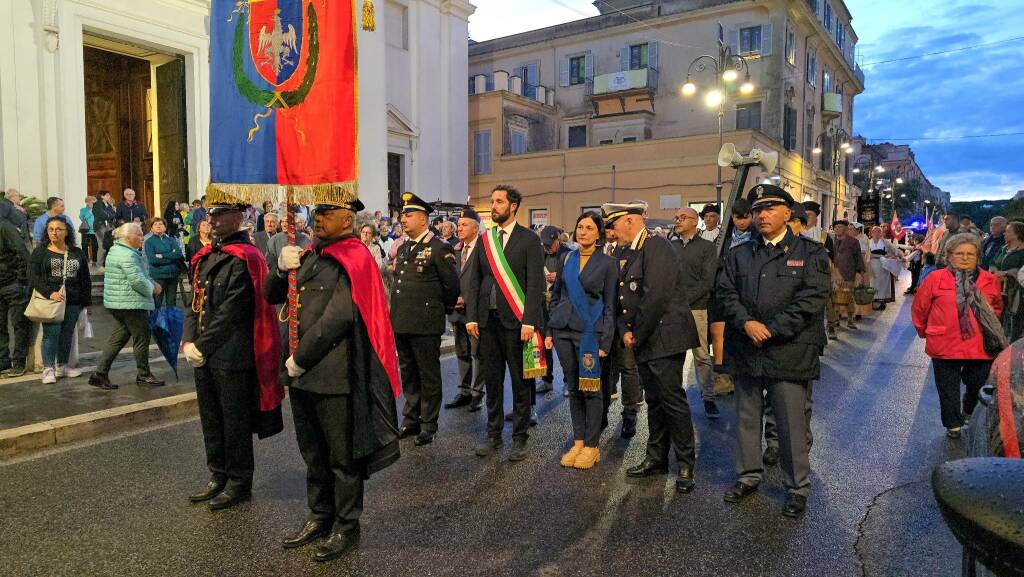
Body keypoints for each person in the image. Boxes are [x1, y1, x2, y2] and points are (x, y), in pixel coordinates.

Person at [266, 190, 400, 563]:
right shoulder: (310, 255)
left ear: (349, 219)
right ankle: (319, 516)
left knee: (341, 458)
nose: (320, 218)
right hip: (302, 376)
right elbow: (272, 295)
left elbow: (338, 318)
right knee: (313, 453)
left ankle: (346, 524)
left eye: (329, 212)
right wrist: (280, 267)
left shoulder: (354, 258)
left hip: (333, 375)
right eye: (318, 211)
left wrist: (300, 358)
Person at [718, 184, 830, 518]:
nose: (762, 216)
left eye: (769, 209)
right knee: (747, 418)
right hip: (747, 347)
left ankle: (797, 487)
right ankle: (748, 475)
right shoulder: (738, 254)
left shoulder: (811, 253)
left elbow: (812, 299)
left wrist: (773, 328)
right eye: (757, 211)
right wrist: (747, 323)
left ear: (787, 213)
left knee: (790, 424)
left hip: (789, 349)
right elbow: (726, 294)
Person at [182, 199, 284, 511]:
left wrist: (202, 345)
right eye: (210, 215)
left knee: (234, 421)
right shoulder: (207, 256)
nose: (211, 220)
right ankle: (218, 473)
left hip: (233, 354)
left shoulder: (245, 257)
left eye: (219, 215)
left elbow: (233, 311)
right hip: (206, 354)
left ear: (237, 218)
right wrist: (188, 341)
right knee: (211, 417)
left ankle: (239, 481)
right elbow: (194, 302)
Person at [604, 200, 700, 494]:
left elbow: (655, 296)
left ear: (630, 222)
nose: (612, 231)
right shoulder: (630, 250)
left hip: (663, 337)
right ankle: (656, 458)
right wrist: (625, 331)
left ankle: (685, 463)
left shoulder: (656, 246)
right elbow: (623, 298)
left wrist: (636, 334)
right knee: (656, 402)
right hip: (643, 338)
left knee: (672, 401)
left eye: (614, 224)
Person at [466, 185, 545, 461]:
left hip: (517, 323)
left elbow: (535, 284)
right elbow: (475, 279)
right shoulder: (485, 240)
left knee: (521, 382)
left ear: (513, 206)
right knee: (493, 381)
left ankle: (520, 437)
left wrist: (530, 321)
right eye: (492, 201)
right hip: (487, 323)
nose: (494, 205)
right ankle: (493, 435)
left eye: (499, 201)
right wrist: (472, 316)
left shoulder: (529, 239)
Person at [913, 233, 1006, 439]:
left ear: (977, 257)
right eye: (959, 253)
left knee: (977, 383)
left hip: (979, 345)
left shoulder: (989, 280)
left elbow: (997, 308)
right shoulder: (935, 279)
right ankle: (952, 424)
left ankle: (969, 408)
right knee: (947, 388)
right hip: (945, 342)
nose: (965, 257)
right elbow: (920, 308)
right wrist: (924, 331)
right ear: (949, 256)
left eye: (970, 254)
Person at [545, 212, 617, 469]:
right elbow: (556, 295)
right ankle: (578, 441)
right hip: (563, 330)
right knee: (573, 388)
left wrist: (605, 342)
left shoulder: (609, 263)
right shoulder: (566, 258)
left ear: (598, 234)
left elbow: (610, 306)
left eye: (589, 227)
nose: (583, 231)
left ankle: (591, 445)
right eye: (579, 227)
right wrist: (550, 329)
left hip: (590, 333)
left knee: (592, 390)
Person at [390, 193, 459, 446]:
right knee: (408, 373)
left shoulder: (440, 248)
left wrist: (444, 309)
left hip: (425, 323)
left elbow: (451, 285)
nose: (403, 220)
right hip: (402, 321)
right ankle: (411, 419)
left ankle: (429, 423)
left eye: (408, 216)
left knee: (428, 374)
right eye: (402, 216)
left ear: (423, 219)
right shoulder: (406, 247)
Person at [88, 223, 163, 390]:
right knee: (141, 338)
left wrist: (151, 282)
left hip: (120, 303)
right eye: (139, 235)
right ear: (129, 238)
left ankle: (100, 374)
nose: (142, 238)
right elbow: (137, 280)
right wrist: (153, 289)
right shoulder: (127, 255)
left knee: (118, 339)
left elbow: (141, 275)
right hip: (131, 303)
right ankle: (144, 375)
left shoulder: (119, 250)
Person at [28, 217, 91, 384]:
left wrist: (85, 302)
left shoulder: (77, 252)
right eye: (51, 229)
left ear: (67, 231)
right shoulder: (41, 252)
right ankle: (48, 368)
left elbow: (85, 277)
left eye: (59, 229)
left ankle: (62, 365)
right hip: (52, 301)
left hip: (73, 300)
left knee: (67, 334)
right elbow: (33, 277)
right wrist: (50, 293)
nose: (54, 232)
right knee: (51, 334)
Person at [672, 206, 720, 419]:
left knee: (701, 355)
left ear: (694, 222)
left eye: (683, 217)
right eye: (676, 218)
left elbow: (707, 281)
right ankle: (674, 397)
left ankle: (708, 397)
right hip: (673, 310)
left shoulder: (707, 248)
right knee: (674, 355)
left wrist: (684, 300)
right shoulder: (670, 246)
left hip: (696, 309)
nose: (678, 221)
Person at [603, 219, 643, 437]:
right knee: (607, 369)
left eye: (613, 226)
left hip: (625, 319)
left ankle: (629, 414)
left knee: (628, 369)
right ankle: (602, 411)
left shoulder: (636, 249)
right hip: (607, 319)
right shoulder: (605, 250)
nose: (611, 232)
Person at [711, 198, 755, 396]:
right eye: (738, 218)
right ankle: (723, 378)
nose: (742, 222)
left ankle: (744, 377)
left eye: (746, 217)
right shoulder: (724, 239)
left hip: (747, 294)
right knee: (720, 336)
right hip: (722, 292)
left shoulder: (757, 239)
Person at [444, 208, 486, 412]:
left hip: (475, 311)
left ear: (476, 228)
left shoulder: (484, 249)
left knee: (477, 352)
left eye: (464, 225)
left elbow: (486, 282)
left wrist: (466, 299)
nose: (459, 228)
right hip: (457, 309)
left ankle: (477, 393)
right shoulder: (456, 250)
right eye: (459, 225)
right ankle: (464, 390)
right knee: (461, 350)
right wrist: (453, 298)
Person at [539, 225, 571, 393]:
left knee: (562, 347)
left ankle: (568, 381)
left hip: (561, 306)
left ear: (557, 240)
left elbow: (577, 277)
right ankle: (546, 379)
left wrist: (559, 277)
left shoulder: (568, 254)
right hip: (543, 306)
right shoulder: (539, 253)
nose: (547, 247)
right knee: (544, 345)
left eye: (550, 244)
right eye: (544, 244)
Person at [0, 214, 31, 377]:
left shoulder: (5, 227)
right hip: (7, 283)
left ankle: (19, 362)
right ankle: (3, 362)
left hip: (12, 284)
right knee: (1, 326)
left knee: (18, 324)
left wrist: (21, 279)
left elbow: (22, 252)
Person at [828, 221, 864, 337]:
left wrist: (859, 274)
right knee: (832, 301)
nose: (837, 229)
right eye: (835, 227)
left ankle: (850, 319)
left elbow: (858, 258)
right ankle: (833, 324)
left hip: (848, 273)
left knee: (848, 298)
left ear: (846, 228)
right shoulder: (830, 241)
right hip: (832, 274)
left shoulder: (853, 242)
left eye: (840, 227)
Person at [990, 221, 1024, 343]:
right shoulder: (1003, 249)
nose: (1004, 233)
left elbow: (1019, 272)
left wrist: (1005, 273)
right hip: (999, 289)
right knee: (999, 318)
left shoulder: (1022, 252)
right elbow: (993, 263)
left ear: (1017, 234)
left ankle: (1013, 347)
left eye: (1008, 231)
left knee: (1015, 320)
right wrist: (994, 272)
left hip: (1016, 292)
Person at [143, 217, 185, 308]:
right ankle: (158, 322)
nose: (158, 226)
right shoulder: (149, 242)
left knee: (171, 303)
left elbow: (178, 254)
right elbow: (153, 260)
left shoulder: (171, 240)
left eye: (161, 224)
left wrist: (162, 255)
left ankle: (170, 321)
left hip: (173, 275)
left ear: (165, 227)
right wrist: (171, 254)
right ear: (151, 228)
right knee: (158, 304)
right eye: (155, 224)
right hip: (158, 276)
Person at [867, 225, 902, 310]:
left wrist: (899, 255)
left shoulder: (886, 242)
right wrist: (880, 256)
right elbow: (867, 254)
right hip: (871, 265)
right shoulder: (868, 242)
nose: (877, 233)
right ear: (871, 233)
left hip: (883, 266)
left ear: (881, 233)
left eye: (879, 231)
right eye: (875, 231)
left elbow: (895, 250)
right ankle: (874, 301)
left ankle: (882, 301)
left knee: (883, 284)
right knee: (873, 283)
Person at [92, 191, 117, 264]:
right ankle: (99, 264)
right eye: (107, 195)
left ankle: (108, 263)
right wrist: (109, 215)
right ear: (102, 196)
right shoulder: (97, 204)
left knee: (111, 244)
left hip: (109, 226)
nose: (109, 196)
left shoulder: (108, 204)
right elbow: (102, 215)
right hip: (100, 226)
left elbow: (114, 213)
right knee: (103, 246)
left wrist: (108, 215)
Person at [79, 196, 98, 265]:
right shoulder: (83, 210)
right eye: (92, 202)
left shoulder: (97, 209)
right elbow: (82, 218)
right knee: (84, 245)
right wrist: (90, 212)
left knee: (95, 246)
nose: (93, 204)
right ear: (87, 202)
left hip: (95, 230)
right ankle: (85, 260)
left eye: (94, 203)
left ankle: (94, 260)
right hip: (86, 230)